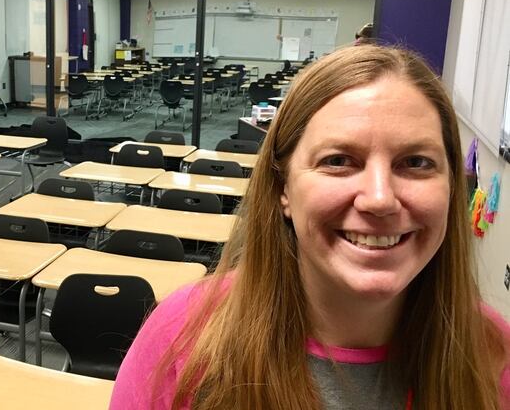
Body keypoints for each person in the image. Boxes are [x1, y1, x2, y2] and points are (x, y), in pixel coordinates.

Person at [110, 45, 510, 409]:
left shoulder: (496, 356)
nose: (379, 198)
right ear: (283, 187)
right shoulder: (183, 336)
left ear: (453, 187)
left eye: (416, 163)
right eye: (338, 161)